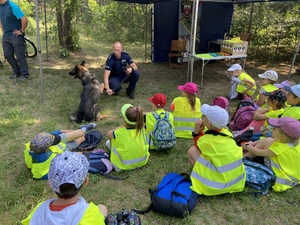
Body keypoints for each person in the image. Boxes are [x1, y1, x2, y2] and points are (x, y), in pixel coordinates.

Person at [21, 151, 108, 224]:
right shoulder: (91, 214)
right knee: (102, 208)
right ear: (86, 181)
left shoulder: (39, 211)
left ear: (49, 183)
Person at [187, 104, 245, 196]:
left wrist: (196, 133)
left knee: (192, 151)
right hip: (235, 182)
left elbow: (199, 149)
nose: (203, 117)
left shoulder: (205, 141)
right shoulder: (227, 133)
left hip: (216, 185)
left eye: (205, 116)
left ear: (209, 124)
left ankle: (201, 178)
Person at [243, 117, 300, 192]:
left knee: (265, 143)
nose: (271, 129)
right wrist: (252, 143)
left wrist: (247, 146)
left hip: (279, 176)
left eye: (274, 129)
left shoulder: (280, 149)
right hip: (293, 173)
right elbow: (269, 140)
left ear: (283, 136)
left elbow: (257, 152)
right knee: (267, 140)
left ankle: (243, 159)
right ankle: (244, 156)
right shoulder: (293, 142)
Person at [24, 123, 97, 180]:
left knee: (79, 134)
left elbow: (50, 135)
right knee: (82, 138)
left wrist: (62, 131)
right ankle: (83, 129)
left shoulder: (33, 145)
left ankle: (82, 129)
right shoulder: (46, 162)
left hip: (59, 146)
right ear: (46, 149)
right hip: (64, 148)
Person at [106, 104, 150, 172]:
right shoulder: (142, 130)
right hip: (142, 162)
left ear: (125, 120)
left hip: (121, 166)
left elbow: (108, 134)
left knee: (109, 142)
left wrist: (119, 128)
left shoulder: (119, 132)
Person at [0, 0, 29, 80]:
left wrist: (21, 31)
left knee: (20, 56)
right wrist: (3, 30)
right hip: (6, 35)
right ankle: (17, 72)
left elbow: (24, 19)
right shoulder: (0, 6)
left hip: (15, 35)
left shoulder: (12, 5)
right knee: (8, 55)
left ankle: (24, 74)